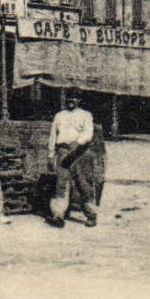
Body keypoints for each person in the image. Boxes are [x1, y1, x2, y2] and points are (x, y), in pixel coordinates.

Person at [46, 87, 101, 228]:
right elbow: (53, 135)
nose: (71, 100)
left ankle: (91, 215)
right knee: (61, 183)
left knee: (84, 184)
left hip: (80, 152)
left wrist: (78, 143)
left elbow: (88, 133)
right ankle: (58, 215)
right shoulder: (59, 115)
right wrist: (51, 154)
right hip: (63, 151)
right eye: (69, 97)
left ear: (79, 100)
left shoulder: (86, 115)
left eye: (75, 98)